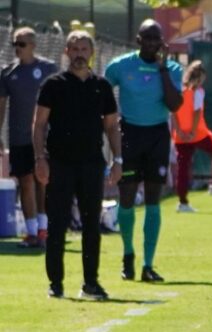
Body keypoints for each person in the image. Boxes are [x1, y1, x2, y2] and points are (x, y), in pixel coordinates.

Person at [33, 30, 122, 300]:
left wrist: (117, 160)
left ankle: (90, 283)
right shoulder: (53, 84)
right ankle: (55, 283)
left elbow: (111, 126)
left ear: (91, 53)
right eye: (75, 49)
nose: (79, 54)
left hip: (92, 163)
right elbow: (39, 125)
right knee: (57, 223)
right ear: (66, 52)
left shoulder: (102, 86)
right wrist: (40, 158)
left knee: (91, 225)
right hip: (59, 163)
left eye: (84, 49)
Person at [104, 19, 183, 283]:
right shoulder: (121, 65)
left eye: (156, 39)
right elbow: (103, 92)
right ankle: (128, 254)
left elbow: (174, 105)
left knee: (153, 198)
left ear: (163, 43)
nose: (152, 43)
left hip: (157, 135)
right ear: (138, 40)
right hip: (129, 135)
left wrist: (162, 70)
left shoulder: (172, 68)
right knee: (126, 196)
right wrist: (108, 123)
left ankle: (148, 264)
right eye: (147, 38)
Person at [0, 27, 58, 248]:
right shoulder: (8, 73)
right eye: (15, 43)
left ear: (33, 45)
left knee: (42, 181)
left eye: (22, 44)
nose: (17, 48)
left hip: (45, 137)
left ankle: (44, 229)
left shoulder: (47, 68)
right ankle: (32, 232)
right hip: (19, 137)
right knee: (25, 182)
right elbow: (1, 106)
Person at [171, 60, 212, 213]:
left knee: (183, 168)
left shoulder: (178, 89)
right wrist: (192, 131)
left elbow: (173, 112)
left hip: (180, 136)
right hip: (197, 133)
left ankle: (183, 203)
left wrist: (179, 130)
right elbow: (197, 112)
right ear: (199, 77)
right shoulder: (197, 91)